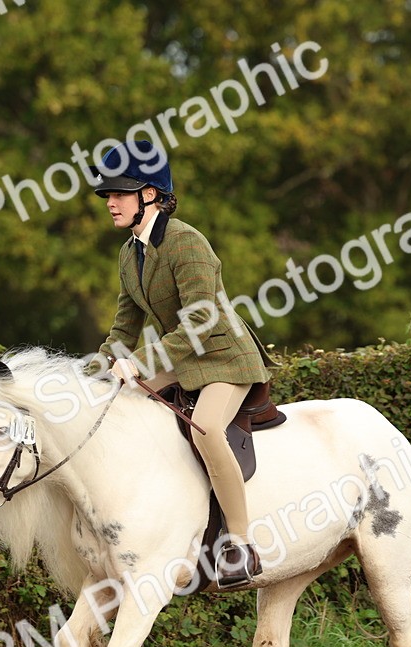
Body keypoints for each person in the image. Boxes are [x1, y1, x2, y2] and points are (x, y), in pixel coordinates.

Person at [90, 139, 277, 588]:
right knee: (124, 404)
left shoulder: (186, 242)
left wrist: (138, 363)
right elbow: (122, 331)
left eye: (120, 193)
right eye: (108, 195)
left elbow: (199, 320)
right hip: (184, 357)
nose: (110, 202)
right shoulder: (128, 254)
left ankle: (239, 544)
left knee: (207, 428)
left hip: (223, 356)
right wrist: (92, 372)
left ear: (150, 194)